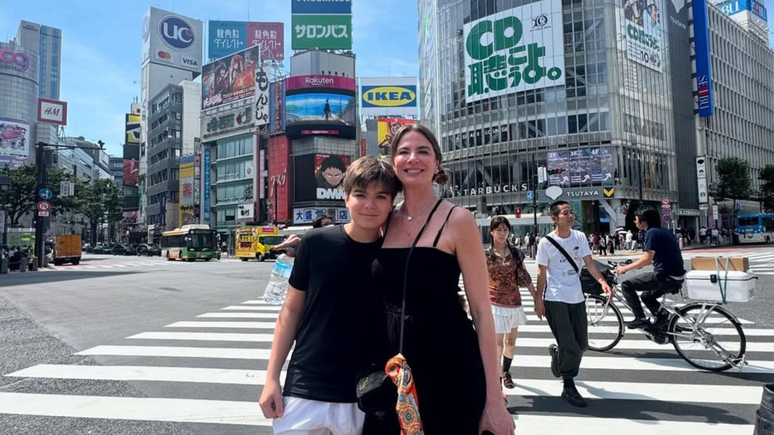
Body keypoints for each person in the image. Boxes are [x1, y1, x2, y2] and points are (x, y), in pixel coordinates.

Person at [371, 124, 514, 434]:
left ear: (437, 163)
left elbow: (481, 312)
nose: (413, 158)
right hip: (392, 363)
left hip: (449, 360)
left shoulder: (458, 219)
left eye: (423, 151)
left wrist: (494, 400)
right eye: (404, 151)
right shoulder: (384, 218)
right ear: (393, 162)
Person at [259, 156, 401, 435]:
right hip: (305, 387)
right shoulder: (316, 243)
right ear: (346, 197)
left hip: (363, 393)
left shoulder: (395, 255)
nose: (370, 204)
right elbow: (290, 312)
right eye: (360, 195)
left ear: (391, 203)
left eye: (381, 197)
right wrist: (271, 379)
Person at [535, 201, 612, 408]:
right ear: (554, 218)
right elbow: (541, 273)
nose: (570, 216)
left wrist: (602, 282)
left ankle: (558, 355)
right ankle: (568, 385)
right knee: (571, 346)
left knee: (582, 344)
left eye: (571, 212)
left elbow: (589, 263)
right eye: (565, 213)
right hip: (555, 298)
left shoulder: (579, 237)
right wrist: (538, 301)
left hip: (577, 297)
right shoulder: (546, 243)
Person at [486, 216, 537, 390]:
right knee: (498, 345)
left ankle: (506, 371)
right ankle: (497, 379)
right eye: (498, 230)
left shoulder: (516, 253)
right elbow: (479, 280)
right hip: (494, 302)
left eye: (505, 230)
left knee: (511, 343)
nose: (502, 233)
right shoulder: (486, 254)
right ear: (491, 232)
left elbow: (525, 277)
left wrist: (536, 299)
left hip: (514, 302)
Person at [615, 206, 686, 329]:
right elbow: (653, 258)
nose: (635, 221)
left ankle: (640, 319)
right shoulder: (664, 231)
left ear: (643, 221)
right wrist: (635, 265)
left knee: (626, 285)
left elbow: (647, 259)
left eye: (636, 219)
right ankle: (663, 318)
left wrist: (624, 268)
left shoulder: (651, 233)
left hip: (665, 277)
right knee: (646, 296)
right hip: (676, 276)